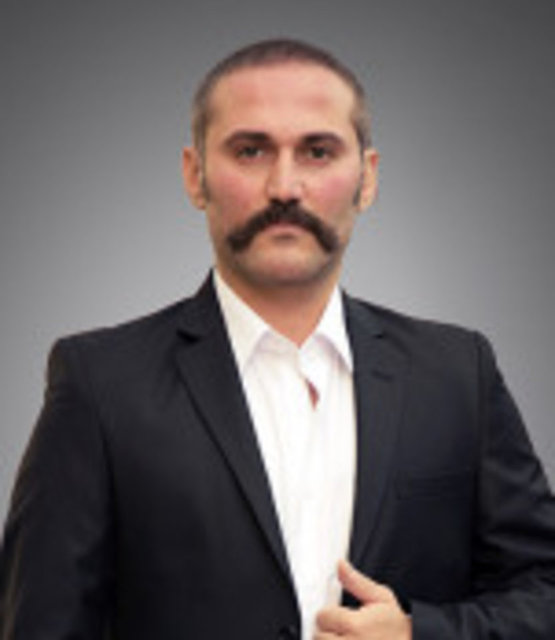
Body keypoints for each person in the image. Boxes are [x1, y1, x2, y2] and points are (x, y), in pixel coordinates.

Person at [0, 38, 554, 640]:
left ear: (367, 178)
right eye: (250, 150)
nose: (285, 186)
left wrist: (421, 633)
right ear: (195, 175)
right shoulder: (100, 384)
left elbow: (543, 591)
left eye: (318, 151)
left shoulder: (457, 373)